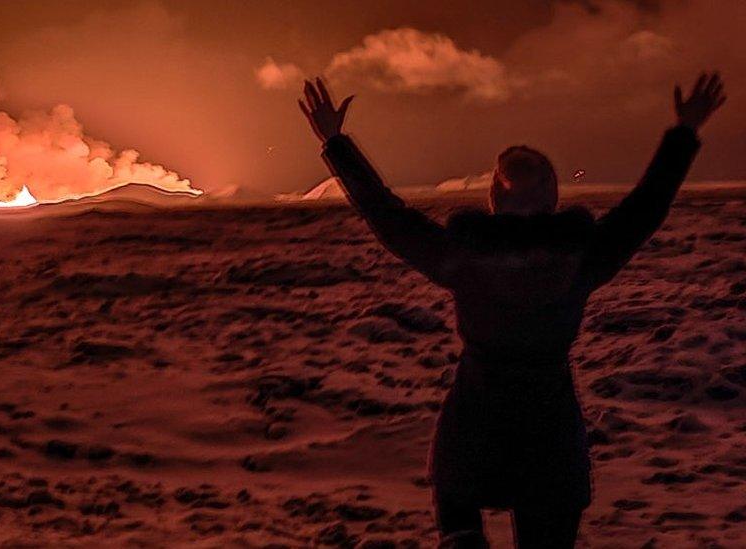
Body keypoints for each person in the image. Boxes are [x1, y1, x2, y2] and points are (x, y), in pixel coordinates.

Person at [298, 74, 726, 548]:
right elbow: (646, 207)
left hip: (472, 433)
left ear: (494, 200)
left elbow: (386, 215)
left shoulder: (463, 257)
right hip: (551, 440)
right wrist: (684, 132)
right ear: (554, 198)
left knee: (460, 524)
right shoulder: (580, 257)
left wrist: (335, 143)